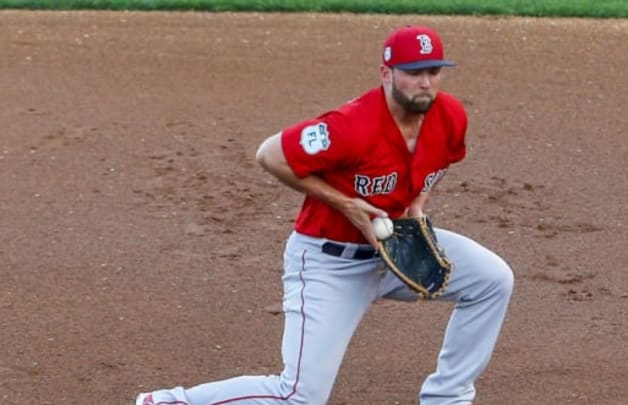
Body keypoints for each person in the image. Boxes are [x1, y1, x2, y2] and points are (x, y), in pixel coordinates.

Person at [136, 24, 514, 405]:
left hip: (392, 250)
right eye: (414, 72)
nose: (426, 83)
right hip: (330, 263)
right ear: (387, 74)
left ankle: (447, 398)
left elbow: (441, 161)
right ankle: (167, 402)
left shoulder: (449, 115)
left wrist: (416, 209)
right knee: (300, 396)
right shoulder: (351, 125)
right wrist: (347, 206)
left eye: (433, 72)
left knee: (493, 281)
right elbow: (270, 154)